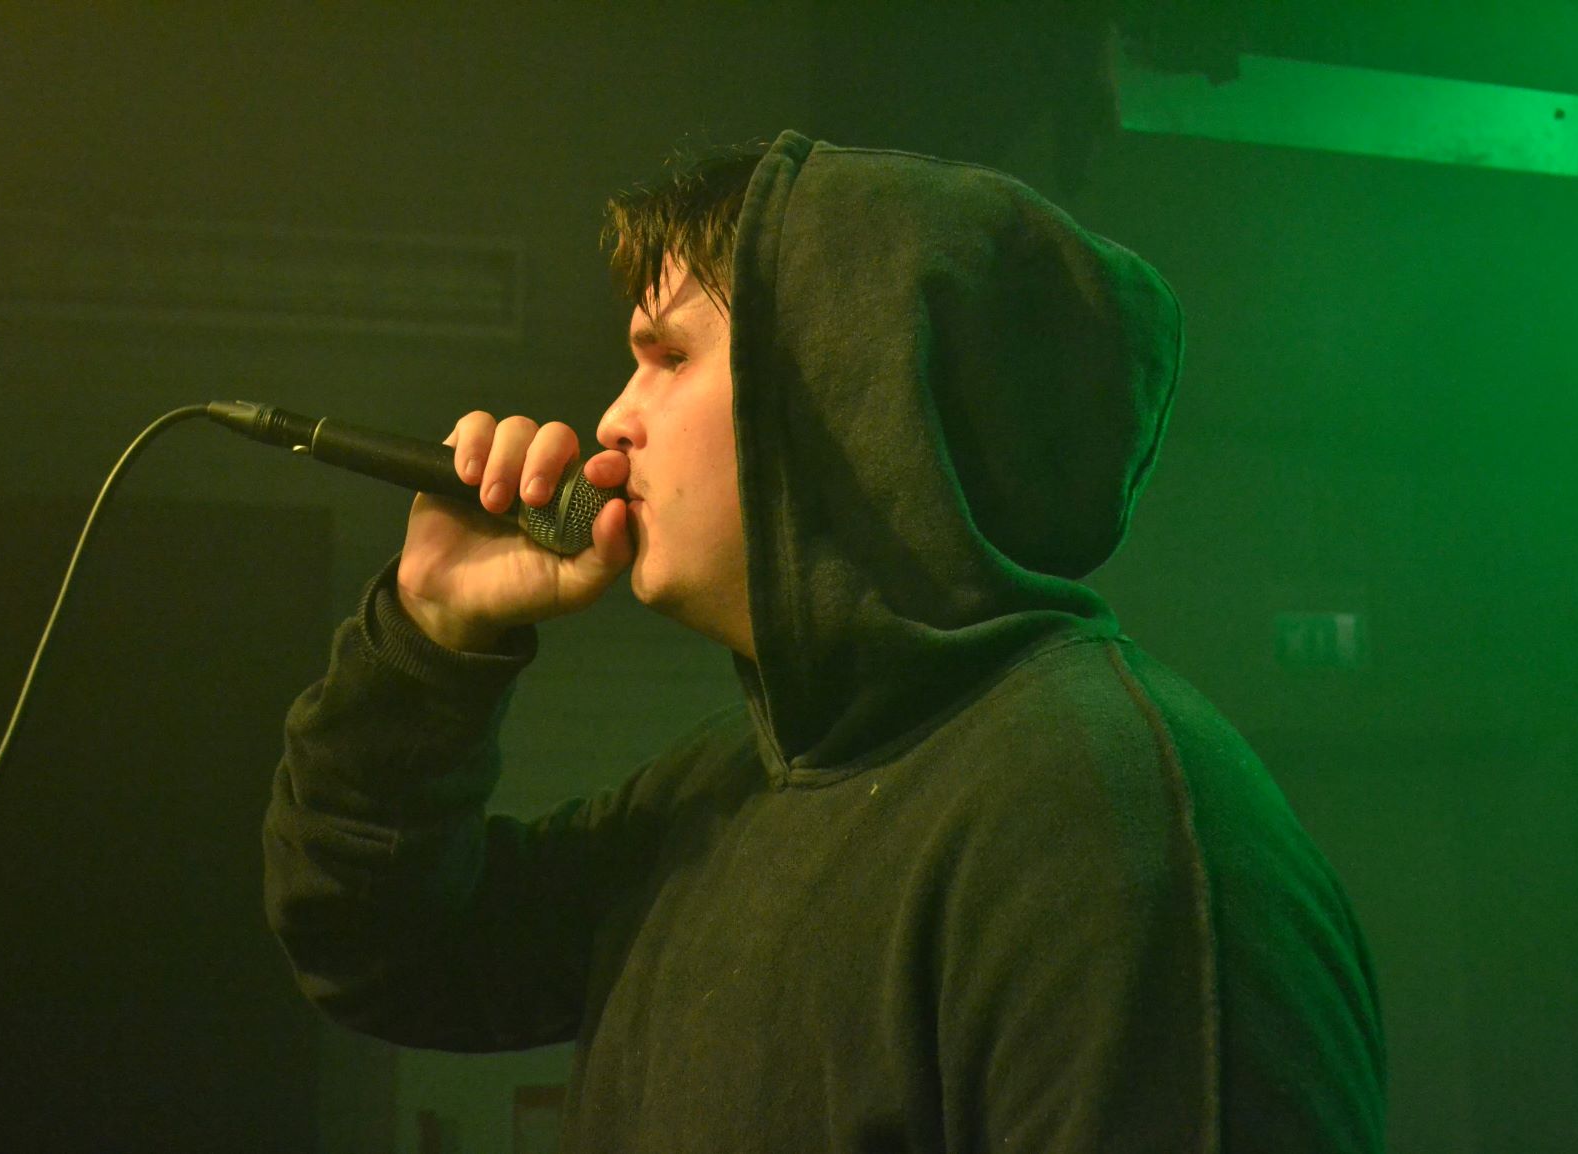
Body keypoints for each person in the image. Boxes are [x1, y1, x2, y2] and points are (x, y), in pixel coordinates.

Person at [264, 130, 1387, 1152]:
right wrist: (431, 632)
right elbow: (378, 949)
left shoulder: (1109, 831)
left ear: (843, 391)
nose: (611, 417)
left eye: (669, 357)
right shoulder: (731, 788)